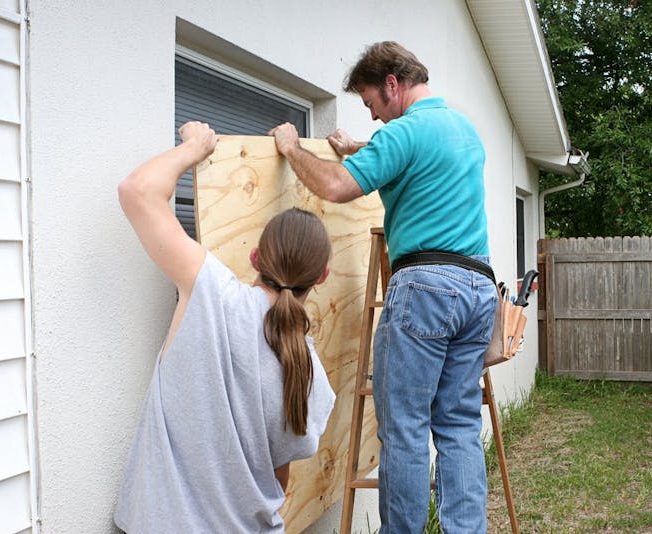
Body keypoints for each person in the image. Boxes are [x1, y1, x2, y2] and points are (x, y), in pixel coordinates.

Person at [268, 41, 497, 533]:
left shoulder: (405, 133)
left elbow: (333, 187)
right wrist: (360, 149)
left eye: (372, 103)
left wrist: (290, 148)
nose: (374, 118)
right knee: (458, 425)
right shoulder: (464, 130)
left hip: (426, 289)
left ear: (393, 84)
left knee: (407, 429)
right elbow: (413, 165)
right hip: (479, 289)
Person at [113, 121, 336, 533]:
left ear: (254, 258)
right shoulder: (309, 372)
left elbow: (138, 191)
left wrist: (195, 148)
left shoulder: (212, 293)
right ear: (322, 277)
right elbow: (278, 479)